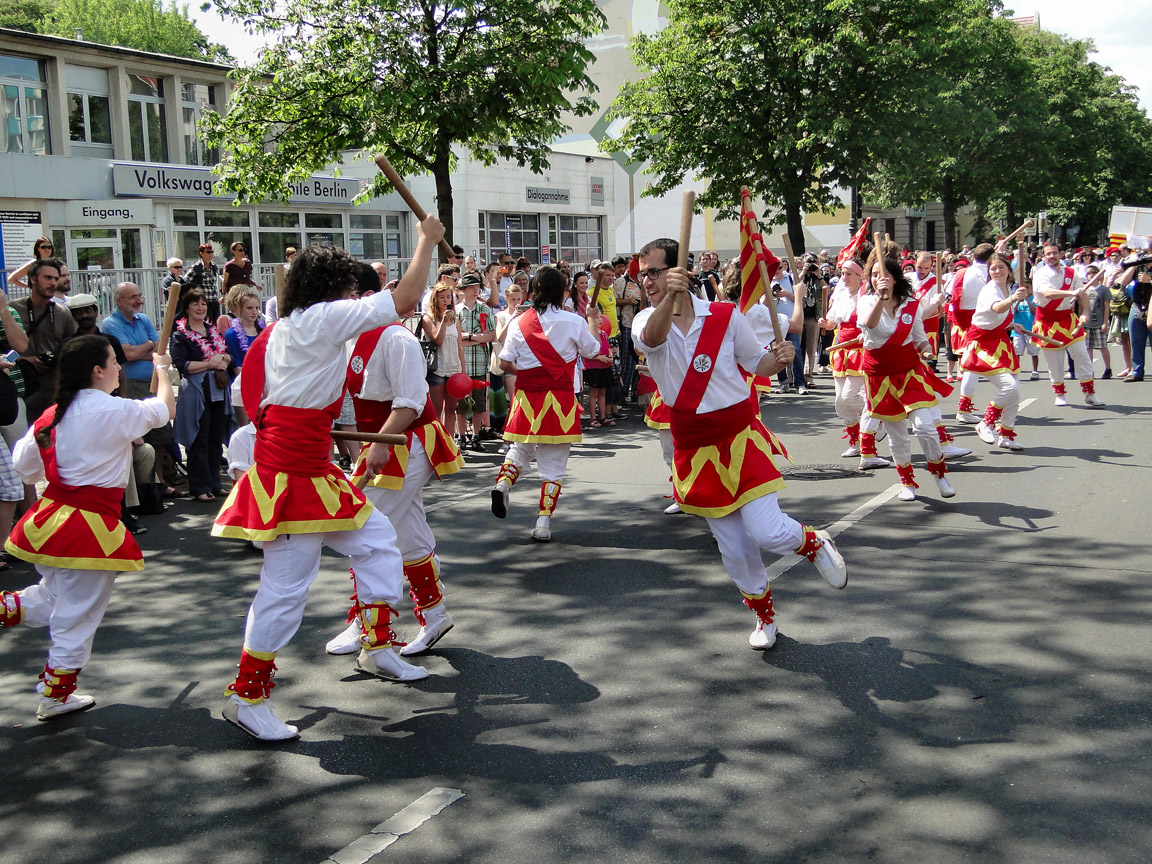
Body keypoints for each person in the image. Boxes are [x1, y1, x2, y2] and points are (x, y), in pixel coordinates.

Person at [211, 217, 442, 742]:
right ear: (333, 290)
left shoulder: (290, 329)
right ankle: (247, 697)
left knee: (379, 541)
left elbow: (291, 402)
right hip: (290, 472)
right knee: (285, 588)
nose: (354, 297)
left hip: (311, 466)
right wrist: (426, 239)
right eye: (349, 288)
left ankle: (377, 646)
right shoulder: (318, 321)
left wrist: (343, 440)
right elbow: (404, 301)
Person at [632, 237, 846, 651]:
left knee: (766, 530)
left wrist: (778, 357)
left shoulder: (724, 315)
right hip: (694, 449)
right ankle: (764, 616)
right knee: (734, 548)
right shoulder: (645, 319)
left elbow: (756, 364)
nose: (649, 281)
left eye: (656, 271)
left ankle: (813, 542)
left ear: (682, 269)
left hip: (738, 437)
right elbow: (654, 339)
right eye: (644, 275)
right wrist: (668, 297)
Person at [2, 335, 175, 720]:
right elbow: (165, 409)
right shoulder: (112, 410)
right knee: (78, 615)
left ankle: (11, 616)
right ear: (98, 370)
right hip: (89, 527)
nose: (118, 367)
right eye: (114, 361)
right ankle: (56, 694)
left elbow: (24, 467)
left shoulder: (53, 416)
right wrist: (162, 369)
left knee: (55, 598)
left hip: (53, 521)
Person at [325, 282, 465, 657]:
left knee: (364, 529)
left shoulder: (396, 339)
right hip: (386, 442)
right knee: (404, 532)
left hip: (409, 441)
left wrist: (380, 445)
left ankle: (369, 626)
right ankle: (434, 615)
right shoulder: (349, 340)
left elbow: (410, 402)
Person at [490, 265, 603, 542]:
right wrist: (591, 320)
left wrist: (528, 372)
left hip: (528, 397)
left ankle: (504, 484)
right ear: (561, 291)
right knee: (554, 465)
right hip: (560, 400)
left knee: (520, 450)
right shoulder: (573, 321)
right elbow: (593, 350)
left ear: (533, 290)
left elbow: (504, 362)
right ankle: (542, 522)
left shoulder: (518, 322)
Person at [858, 256, 955, 502]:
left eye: (885, 274)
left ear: (896, 277)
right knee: (898, 436)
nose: (880, 279)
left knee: (924, 427)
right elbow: (869, 325)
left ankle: (939, 474)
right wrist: (880, 299)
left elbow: (919, 336)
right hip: (880, 376)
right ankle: (907, 482)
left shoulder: (912, 304)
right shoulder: (866, 301)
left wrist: (925, 349)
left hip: (909, 372)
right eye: (875, 275)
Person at [170, 288, 234, 502]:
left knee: (215, 438)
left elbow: (227, 355)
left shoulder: (212, 329)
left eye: (204, 304)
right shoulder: (180, 334)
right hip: (197, 392)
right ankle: (200, 486)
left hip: (217, 390)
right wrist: (210, 363)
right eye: (195, 304)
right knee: (200, 438)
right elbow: (182, 365)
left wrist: (222, 358)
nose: (200, 307)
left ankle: (215, 483)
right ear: (187, 307)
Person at [962, 254, 1030, 451]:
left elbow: (993, 318)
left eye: (1001, 267)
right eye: (993, 269)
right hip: (983, 343)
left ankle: (1006, 435)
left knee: (1015, 391)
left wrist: (1011, 325)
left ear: (1009, 269)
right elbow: (997, 309)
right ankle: (986, 423)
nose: (997, 271)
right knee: (1009, 387)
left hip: (1000, 340)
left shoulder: (1005, 287)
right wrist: (1013, 298)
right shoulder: (990, 289)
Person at [1031, 242, 1104, 407]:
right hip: (1047, 322)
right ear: (1043, 256)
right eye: (1048, 254)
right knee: (1055, 362)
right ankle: (1060, 394)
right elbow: (1047, 293)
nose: (1052, 256)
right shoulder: (1040, 274)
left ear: (1061, 253)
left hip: (1069, 320)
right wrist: (1070, 292)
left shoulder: (1071, 272)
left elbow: (1082, 293)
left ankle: (1089, 393)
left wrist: (1085, 312)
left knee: (1082, 356)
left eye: (1055, 253)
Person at [11, 258, 78, 420]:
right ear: (33, 279)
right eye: (47, 278)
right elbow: (3, 348)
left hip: (54, 391)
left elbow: (74, 350)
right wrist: (25, 359)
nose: (53, 283)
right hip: (22, 390)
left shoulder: (63, 313)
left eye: (56, 278)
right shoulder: (12, 310)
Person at [952, 243, 994, 423]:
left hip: (970, 322)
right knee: (974, 366)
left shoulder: (961, 273)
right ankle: (965, 408)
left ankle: (966, 407)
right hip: (985, 321)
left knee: (973, 366)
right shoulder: (992, 274)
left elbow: (954, 300)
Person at [455, 272, 496, 448]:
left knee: (479, 402)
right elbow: (456, 339)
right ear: (462, 290)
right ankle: (461, 434)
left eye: (477, 287)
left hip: (480, 361)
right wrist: (478, 337)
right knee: (461, 403)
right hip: (461, 364)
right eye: (471, 288)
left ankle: (476, 435)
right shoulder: (456, 310)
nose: (475, 291)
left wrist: (469, 337)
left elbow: (491, 336)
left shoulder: (485, 309)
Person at [422, 282, 465, 440]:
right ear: (435, 299)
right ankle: (436, 441)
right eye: (442, 297)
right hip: (437, 368)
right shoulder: (428, 319)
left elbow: (459, 346)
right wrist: (444, 324)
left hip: (454, 368)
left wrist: (463, 371)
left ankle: (450, 441)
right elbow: (438, 340)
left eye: (448, 297)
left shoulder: (456, 320)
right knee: (437, 408)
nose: (446, 300)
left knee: (452, 408)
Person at [222, 284, 265, 368]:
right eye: (249, 308)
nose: (254, 312)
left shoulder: (264, 331)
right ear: (239, 308)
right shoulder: (231, 334)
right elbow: (236, 364)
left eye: (257, 308)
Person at [184, 243, 223, 322]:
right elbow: (186, 281)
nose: (210, 254)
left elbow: (215, 282)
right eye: (208, 252)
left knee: (215, 324)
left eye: (212, 252)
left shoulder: (214, 266)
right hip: (203, 302)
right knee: (206, 323)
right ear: (201, 253)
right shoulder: (196, 267)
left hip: (214, 300)